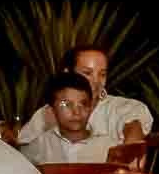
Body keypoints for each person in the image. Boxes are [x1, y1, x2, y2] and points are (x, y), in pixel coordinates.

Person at [17, 69, 114, 174]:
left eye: (83, 104)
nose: (76, 112)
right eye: (66, 104)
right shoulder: (37, 148)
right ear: (51, 110)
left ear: (91, 108)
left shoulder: (109, 147)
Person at [17, 43, 150, 148]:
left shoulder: (123, 107)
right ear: (67, 73)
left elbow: (133, 130)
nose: (96, 81)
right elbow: (23, 148)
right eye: (87, 73)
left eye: (102, 74)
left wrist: (131, 146)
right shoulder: (48, 112)